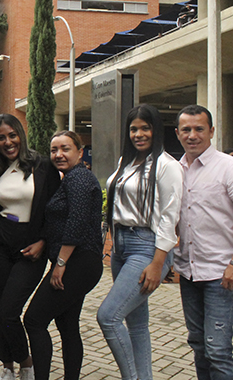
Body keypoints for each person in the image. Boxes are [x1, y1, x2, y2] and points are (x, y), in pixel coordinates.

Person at [97, 104, 183, 380]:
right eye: (134, 129)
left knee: (108, 316)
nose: (139, 134)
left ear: (156, 130)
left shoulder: (167, 166)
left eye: (145, 128)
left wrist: (159, 263)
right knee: (136, 323)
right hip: (121, 246)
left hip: (147, 247)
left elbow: (170, 218)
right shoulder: (127, 161)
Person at [0, 114, 61, 380]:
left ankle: (25, 361)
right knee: (1, 309)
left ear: (21, 135)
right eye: (1, 137)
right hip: (0, 245)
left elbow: (56, 210)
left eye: (12, 135)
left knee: (10, 310)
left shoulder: (42, 165)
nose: (8, 142)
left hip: (32, 248)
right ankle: (7, 364)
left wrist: (44, 241)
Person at [23, 130, 103, 380]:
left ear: (80, 152)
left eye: (65, 149)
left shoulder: (79, 178)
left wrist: (60, 263)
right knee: (67, 325)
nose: (58, 154)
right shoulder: (70, 178)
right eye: (54, 150)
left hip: (78, 262)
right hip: (77, 261)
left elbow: (76, 222)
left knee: (34, 320)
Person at [173, 105, 233, 380]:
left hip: (221, 274)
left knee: (218, 349)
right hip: (189, 272)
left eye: (199, 129)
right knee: (198, 344)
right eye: (186, 129)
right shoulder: (176, 171)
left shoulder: (227, 167)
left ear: (211, 131)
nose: (192, 135)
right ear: (177, 133)